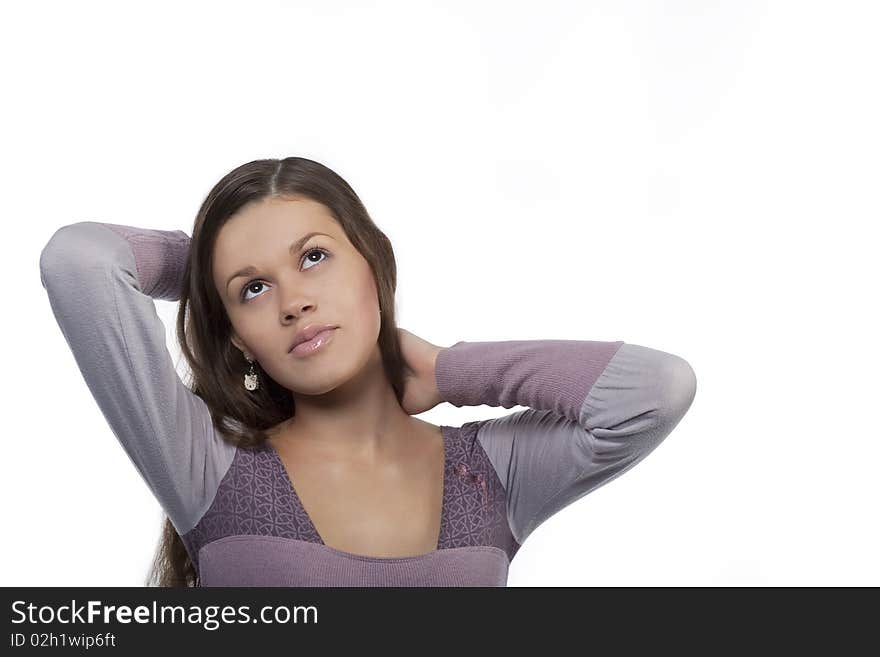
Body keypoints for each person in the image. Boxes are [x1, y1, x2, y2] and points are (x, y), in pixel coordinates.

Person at [38, 156, 697, 587]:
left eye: (315, 257)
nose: (294, 300)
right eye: (254, 289)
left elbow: (655, 390)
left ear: (375, 264)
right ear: (237, 339)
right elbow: (80, 261)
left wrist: (448, 371)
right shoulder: (206, 468)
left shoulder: (493, 472)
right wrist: (208, 271)